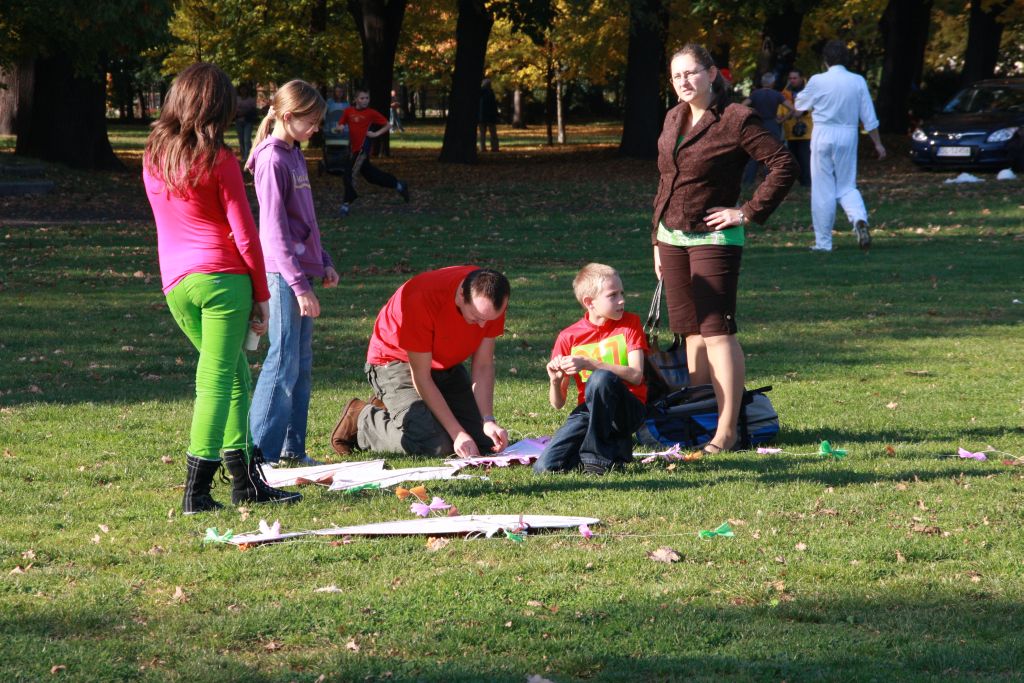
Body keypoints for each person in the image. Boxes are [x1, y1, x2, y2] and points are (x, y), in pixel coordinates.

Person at [142, 63, 301, 513]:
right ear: (219, 107)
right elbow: (246, 234)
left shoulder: (154, 156)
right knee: (216, 382)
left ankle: (246, 479)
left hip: (177, 284)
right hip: (221, 282)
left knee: (234, 375)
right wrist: (263, 297)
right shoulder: (219, 159)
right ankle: (196, 491)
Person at [652, 44, 796, 457]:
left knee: (716, 332)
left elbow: (783, 165)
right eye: (677, 74)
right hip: (671, 237)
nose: (684, 81)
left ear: (712, 74)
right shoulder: (672, 117)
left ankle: (727, 429)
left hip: (714, 238)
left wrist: (747, 212)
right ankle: (698, 421)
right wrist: (656, 241)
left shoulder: (736, 119)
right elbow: (665, 182)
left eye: (692, 72)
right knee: (690, 334)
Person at [245, 80, 339, 467]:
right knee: (281, 360)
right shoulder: (271, 159)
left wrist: (324, 260)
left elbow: (304, 222)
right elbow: (273, 232)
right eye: (311, 120)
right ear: (287, 116)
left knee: (300, 363)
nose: (316, 128)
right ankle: (257, 455)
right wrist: (300, 285)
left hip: (301, 271)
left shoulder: (295, 155)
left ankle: (291, 449)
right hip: (282, 275)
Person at [331, 266, 511, 458]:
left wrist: (488, 420)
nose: (483, 325)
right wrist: (457, 432)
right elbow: (422, 377)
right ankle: (363, 420)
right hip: (396, 362)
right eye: (477, 318)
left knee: (483, 442)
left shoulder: (489, 296)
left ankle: (407, 408)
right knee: (437, 446)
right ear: (460, 295)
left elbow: (483, 365)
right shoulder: (422, 298)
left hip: (443, 365)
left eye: (489, 319)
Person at [533, 264, 648, 476]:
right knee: (544, 468)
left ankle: (595, 459)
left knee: (601, 377)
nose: (621, 300)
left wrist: (590, 364)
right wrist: (555, 381)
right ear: (589, 303)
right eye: (612, 295)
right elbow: (557, 404)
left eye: (622, 293)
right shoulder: (568, 337)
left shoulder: (630, 323)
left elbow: (636, 375)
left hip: (627, 409)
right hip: (590, 410)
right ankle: (610, 453)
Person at [794, 40, 887, 252]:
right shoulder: (858, 81)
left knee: (822, 188)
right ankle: (858, 219)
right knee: (846, 185)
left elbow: (800, 105)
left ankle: (823, 242)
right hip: (848, 133)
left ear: (825, 60)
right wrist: (878, 144)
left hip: (823, 132)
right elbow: (869, 119)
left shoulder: (818, 80)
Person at [335, 89, 409, 217]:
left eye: (367, 98)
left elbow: (387, 125)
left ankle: (345, 206)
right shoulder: (348, 111)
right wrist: (339, 128)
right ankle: (399, 185)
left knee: (349, 174)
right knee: (372, 177)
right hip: (353, 150)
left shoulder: (371, 113)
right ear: (355, 99)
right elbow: (340, 125)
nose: (365, 101)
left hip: (362, 150)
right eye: (362, 98)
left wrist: (375, 134)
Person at [742, 73, 792, 185]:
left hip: (758, 125)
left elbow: (742, 106)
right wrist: (782, 120)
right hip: (773, 125)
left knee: (754, 154)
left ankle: (748, 181)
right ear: (773, 83)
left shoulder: (755, 94)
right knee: (773, 154)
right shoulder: (777, 95)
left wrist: (751, 117)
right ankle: (770, 181)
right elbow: (791, 109)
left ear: (762, 82)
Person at [781, 69, 812, 187]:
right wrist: (785, 114)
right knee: (794, 158)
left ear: (801, 78)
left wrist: (800, 112)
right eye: (790, 78)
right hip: (790, 132)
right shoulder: (785, 92)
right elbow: (781, 109)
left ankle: (807, 182)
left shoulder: (808, 91)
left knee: (805, 158)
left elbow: (810, 108)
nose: (792, 80)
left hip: (806, 132)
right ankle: (799, 182)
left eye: (795, 78)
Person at [234, 83, 258, 162]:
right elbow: (234, 110)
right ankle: (243, 155)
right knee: (241, 140)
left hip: (248, 121)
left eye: (245, 89)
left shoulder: (251, 99)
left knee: (246, 140)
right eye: (242, 89)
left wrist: (245, 113)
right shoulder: (237, 99)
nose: (243, 90)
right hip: (238, 121)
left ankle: (247, 156)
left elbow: (253, 110)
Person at [479, 78, 499, 152]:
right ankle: (495, 147)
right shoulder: (490, 93)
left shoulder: (480, 93)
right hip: (490, 117)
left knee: (482, 134)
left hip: (481, 117)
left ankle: (482, 148)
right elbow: (493, 106)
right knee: (493, 133)